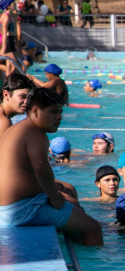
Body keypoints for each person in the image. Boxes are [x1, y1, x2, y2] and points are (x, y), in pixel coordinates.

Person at [0, 88, 103, 245]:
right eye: (54, 112)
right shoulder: (35, 132)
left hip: (8, 209)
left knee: (71, 201)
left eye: (60, 112)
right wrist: (55, 198)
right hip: (22, 210)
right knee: (93, 228)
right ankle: (94, 266)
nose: (59, 117)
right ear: (35, 110)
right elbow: (41, 168)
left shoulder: (14, 129)